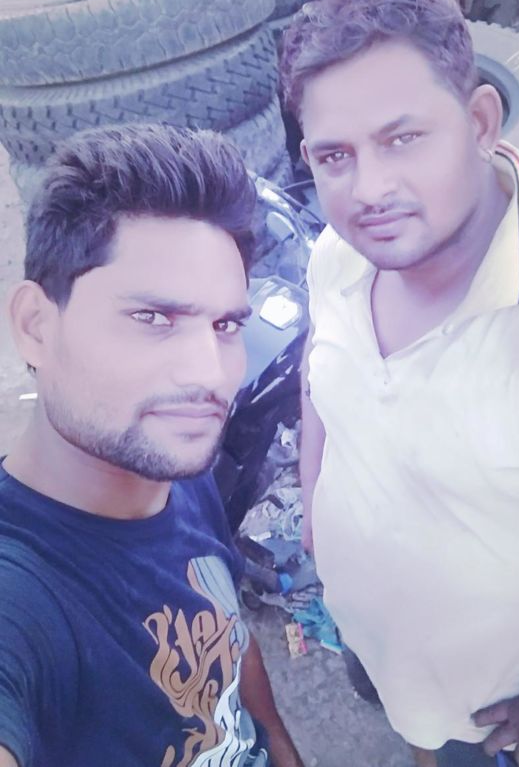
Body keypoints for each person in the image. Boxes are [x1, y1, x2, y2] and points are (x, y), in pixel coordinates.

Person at [280, 0, 519, 767]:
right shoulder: (340, 252)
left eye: (402, 138)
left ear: (480, 121)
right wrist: (315, 507)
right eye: (335, 155)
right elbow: (321, 371)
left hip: (503, 706)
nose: (369, 190)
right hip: (379, 645)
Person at [0, 124, 304, 767]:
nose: (208, 374)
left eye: (225, 324)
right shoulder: (21, 601)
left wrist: (279, 746)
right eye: (153, 318)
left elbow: (227, 633)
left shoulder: (175, 468)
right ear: (35, 327)